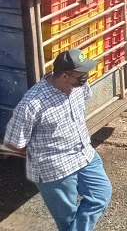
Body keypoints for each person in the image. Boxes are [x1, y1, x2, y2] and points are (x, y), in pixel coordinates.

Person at [3, 48, 112, 231]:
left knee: (101, 194)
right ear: (64, 76)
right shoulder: (32, 104)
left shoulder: (79, 86)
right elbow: (12, 144)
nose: (85, 77)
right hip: (55, 169)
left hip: (84, 154)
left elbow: (82, 101)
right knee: (67, 220)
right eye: (81, 74)